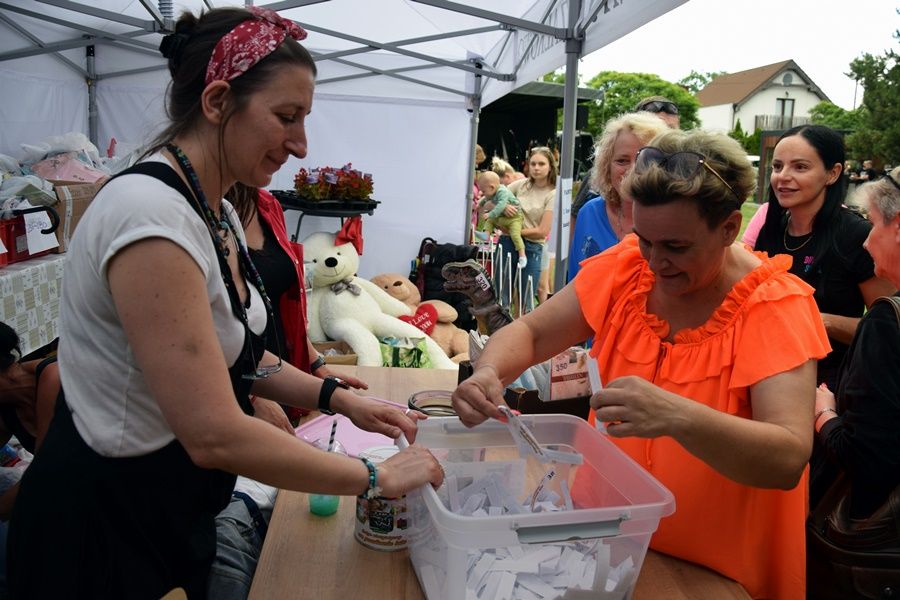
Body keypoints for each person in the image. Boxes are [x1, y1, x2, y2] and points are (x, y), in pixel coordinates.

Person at [7, 8, 443, 599]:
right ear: (217, 101)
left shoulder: (216, 213)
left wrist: (334, 397)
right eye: (287, 116)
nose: (301, 142)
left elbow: (238, 353)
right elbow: (213, 432)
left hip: (167, 514)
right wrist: (375, 474)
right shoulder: (149, 215)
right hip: (101, 532)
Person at [453, 129, 831, 599]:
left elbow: (786, 458)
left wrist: (677, 415)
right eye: (645, 239)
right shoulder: (628, 267)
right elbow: (531, 333)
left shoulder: (774, 306)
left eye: (676, 247)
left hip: (715, 575)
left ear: (730, 228)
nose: (655, 262)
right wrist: (491, 371)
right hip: (606, 547)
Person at [807, 169, 900, 598]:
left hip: (875, 547)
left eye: (873, 222)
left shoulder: (886, 322)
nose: (865, 240)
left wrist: (823, 412)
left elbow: (867, 456)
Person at [754, 125, 896, 388]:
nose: (783, 177)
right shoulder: (772, 230)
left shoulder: (855, 236)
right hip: (766, 376)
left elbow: (889, 327)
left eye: (800, 167)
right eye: (777, 166)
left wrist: (821, 321)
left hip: (828, 392)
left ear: (832, 173)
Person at [226, 183, 367, 425]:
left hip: (279, 379)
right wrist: (252, 396)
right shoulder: (195, 215)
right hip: (236, 396)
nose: (299, 150)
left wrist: (315, 363)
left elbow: (283, 309)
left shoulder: (267, 205)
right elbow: (206, 341)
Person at [567, 112, 669, 282]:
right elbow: (575, 283)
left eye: (645, 160)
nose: (632, 170)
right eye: (622, 160)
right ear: (607, 165)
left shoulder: (674, 222)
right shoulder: (589, 213)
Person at [497, 146, 556, 308]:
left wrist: (513, 231)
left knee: (526, 300)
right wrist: (503, 207)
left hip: (532, 247)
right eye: (533, 164)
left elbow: (542, 231)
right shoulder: (520, 185)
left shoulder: (553, 193)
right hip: (508, 243)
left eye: (541, 164)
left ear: (550, 166)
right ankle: (498, 331)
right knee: (501, 296)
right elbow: (494, 197)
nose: (536, 168)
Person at [475, 171, 527, 269]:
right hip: (503, 217)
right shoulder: (492, 192)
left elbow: (501, 206)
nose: (482, 193)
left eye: (483, 191)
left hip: (515, 218)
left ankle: (522, 255)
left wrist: (490, 213)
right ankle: (486, 234)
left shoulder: (502, 191)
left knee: (515, 234)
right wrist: (479, 204)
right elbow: (485, 198)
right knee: (490, 220)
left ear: (491, 187)